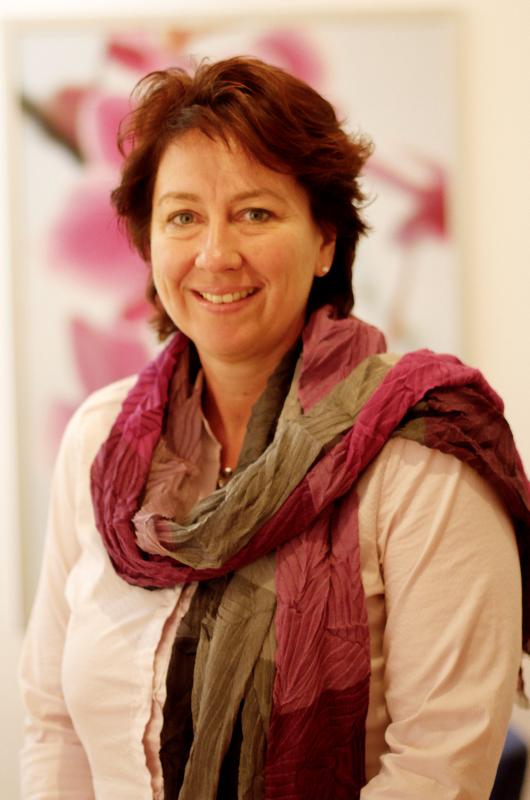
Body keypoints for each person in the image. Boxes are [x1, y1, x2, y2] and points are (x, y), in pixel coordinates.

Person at [19, 56, 530, 800]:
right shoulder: (101, 443)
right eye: (183, 216)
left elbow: (439, 769)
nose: (215, 254)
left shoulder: (422, 454)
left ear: (326, 240)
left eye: (255, 213)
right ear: (149, 242)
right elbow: (53, 723)